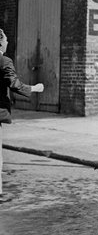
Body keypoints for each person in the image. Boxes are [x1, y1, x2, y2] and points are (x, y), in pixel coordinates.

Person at [1, 28, 44, 195]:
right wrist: (34, 88)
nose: (7, 43)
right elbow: (13, 84)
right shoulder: (4, 61)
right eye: (5, 40)